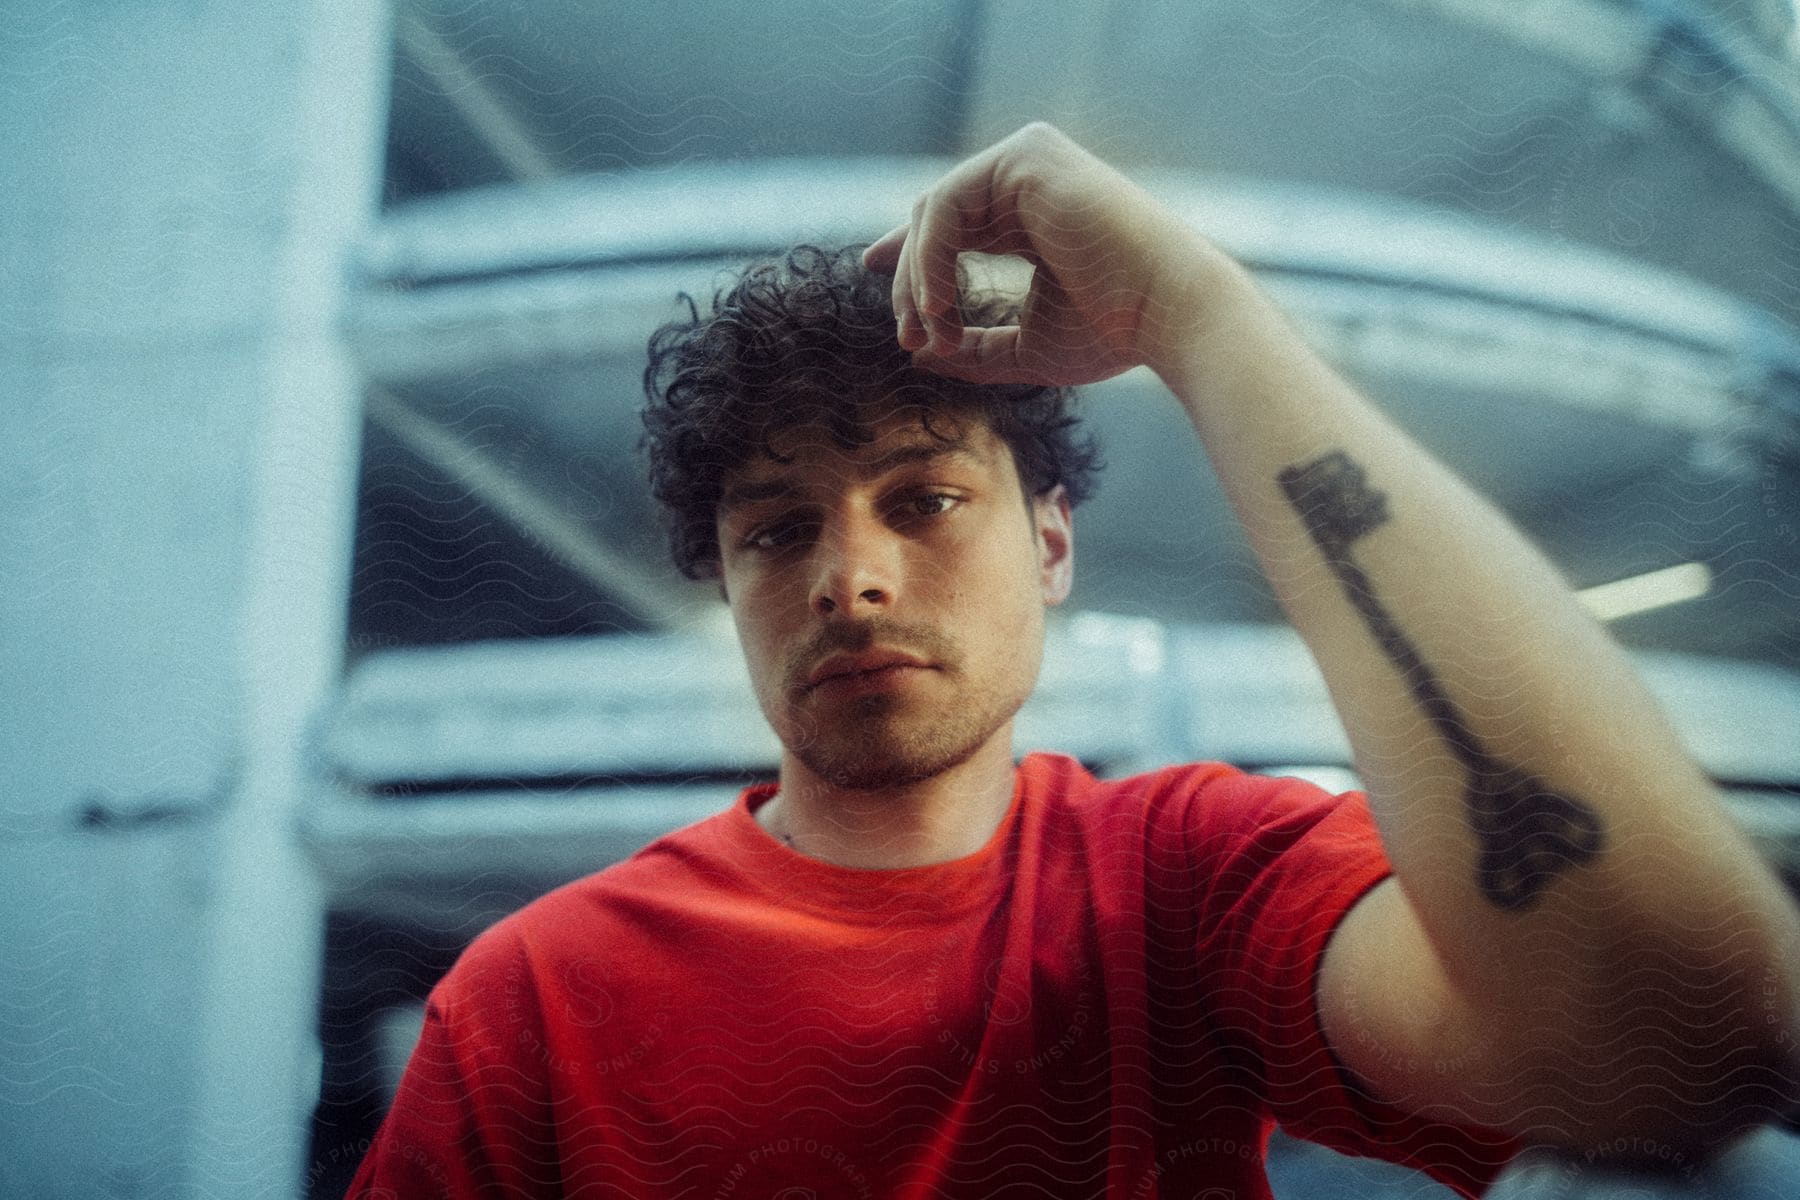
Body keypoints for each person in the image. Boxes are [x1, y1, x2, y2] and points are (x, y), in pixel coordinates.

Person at [346, 124, 1800, 1199]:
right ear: (728, 587)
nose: (847, 573)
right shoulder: (535, 991)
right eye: (776, 531)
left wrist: (1199, 319)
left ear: (1052, 548)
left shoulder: (1186, 878)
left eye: (923, 501)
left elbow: (1678, 1054)